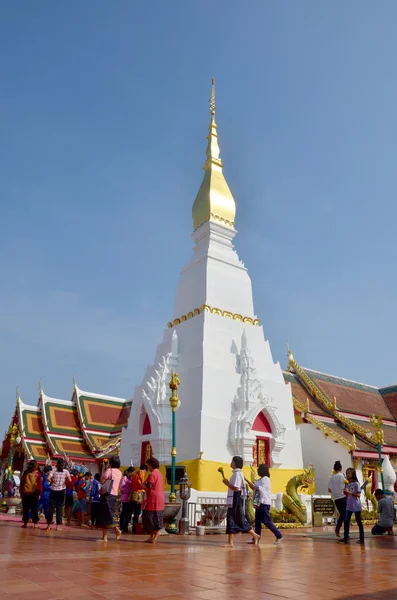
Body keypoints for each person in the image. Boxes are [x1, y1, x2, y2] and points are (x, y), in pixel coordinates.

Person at [221, 456, 260, 548]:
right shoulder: (236, 473)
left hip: (236, 498)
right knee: (232, 518)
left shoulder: (237, 474)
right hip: (235, 498)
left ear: (235, 463)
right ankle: (231, 541)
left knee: (238, 518)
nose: (231, 463)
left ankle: (254, 535)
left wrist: (227, 483)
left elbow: (236, 487)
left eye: (232, 461)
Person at [246, 463, 282, 545]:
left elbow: (261, 489)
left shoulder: (266, 479)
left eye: (259, 469)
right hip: (259, 502)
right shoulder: (259, 480)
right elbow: (256, 489)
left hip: (264, 502)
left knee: (266, 521)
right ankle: (256, 537)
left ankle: (279, 535)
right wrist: (251, 485)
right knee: (257, 521)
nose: (257, 471)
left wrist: (254, 486)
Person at [97, 455, 122, 542]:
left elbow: (102, 481)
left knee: (106, 515)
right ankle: (106, 536)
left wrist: (105, 469)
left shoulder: (109, 470)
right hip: (114, 494)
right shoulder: (119, 472)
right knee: (109, 514)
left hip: (106, 494)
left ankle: (111, 533)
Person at [140, 457, 164, 544]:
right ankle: (152, 537)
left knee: (149, 518)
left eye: (148, 466)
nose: (148, 468)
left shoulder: (152, 474)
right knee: (156, 518)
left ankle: (155, 534)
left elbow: (149, 486)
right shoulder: (159, 474)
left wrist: (142, 486)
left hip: (153, 499)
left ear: (151, 465)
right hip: (159, 499)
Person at [45, 458, 71, 532]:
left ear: (57, 464)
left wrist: (52, 481)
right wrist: (64, 482)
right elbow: (70, 480)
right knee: (59, 508)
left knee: (51, 508)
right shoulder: (66, 471)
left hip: (53, 490)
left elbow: (48, 478)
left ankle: (49, 525)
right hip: (61, 491)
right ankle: (58, 526)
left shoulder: (53, 470)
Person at [340, 467, 364, 545]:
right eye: (346, 473)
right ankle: (346, 537)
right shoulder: (347, 484)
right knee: (346, 521)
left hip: (356, 506)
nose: (347, 475)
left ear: (352, 474)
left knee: (359, 522)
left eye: (349, 473)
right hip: (349, 506)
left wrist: (349, 492)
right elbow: (346, 495)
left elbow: (358, 495)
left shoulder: (356, 484)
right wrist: (345, 492)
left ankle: (361, 538)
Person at [20, 459, 43, 528]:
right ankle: (35, 523)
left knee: (25, 508)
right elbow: (39, 484)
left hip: (25, 492)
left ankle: (25, 523)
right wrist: (39, 493)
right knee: (34, 508)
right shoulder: (38, 474)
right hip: (34, 493)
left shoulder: (26, 472)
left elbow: (22, 483)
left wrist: (21, 492)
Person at [328, 460, 347, 538]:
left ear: (334, 469)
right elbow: (346, 484)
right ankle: (340, 529)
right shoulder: (342, 476)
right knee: (345, 515)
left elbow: (329, 489)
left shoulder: (331, 478)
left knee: (343, 514)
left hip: (336, 498)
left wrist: (335, 491)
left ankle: (339, 528)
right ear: (341, 468)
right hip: (343, 497)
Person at [130, 464, 148, 533]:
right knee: (137, 513)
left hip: (133, 494)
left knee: (133, 512)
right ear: (145, 470)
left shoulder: (134, 474)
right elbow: (141, 484)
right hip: (138, 495)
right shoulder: (141, 473)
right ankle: (135, 528)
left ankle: (133, 527)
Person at [119, 467, 134, 533]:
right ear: (128, 472)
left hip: (131, 498)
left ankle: (126, 525)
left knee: (129, 513)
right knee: (124, 512)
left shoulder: (132, 479)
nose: (132, 474)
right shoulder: (124, 478)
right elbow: (122, 487)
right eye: (131, 472)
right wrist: (129, 491)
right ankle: (122, 526)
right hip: (125, 498)